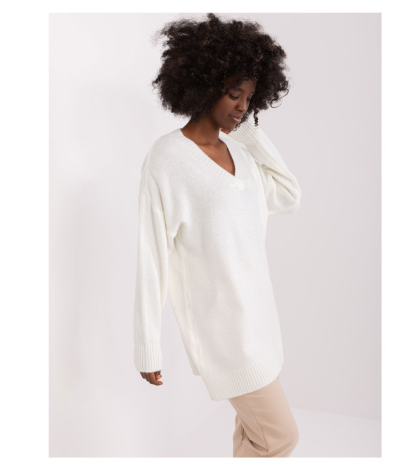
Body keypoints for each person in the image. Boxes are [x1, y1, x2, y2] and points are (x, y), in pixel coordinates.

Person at [134, 13, 301, 457]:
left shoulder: (240, 155)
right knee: (280, 438)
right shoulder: (168, 158)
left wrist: (248, 133)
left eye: (249, 96)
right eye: (233, 94)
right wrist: (148, 347)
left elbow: (288, 194)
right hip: (225, 335)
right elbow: (152, 256)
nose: (242, 106)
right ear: (203, 84)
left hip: (262, 324)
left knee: (253, 437)